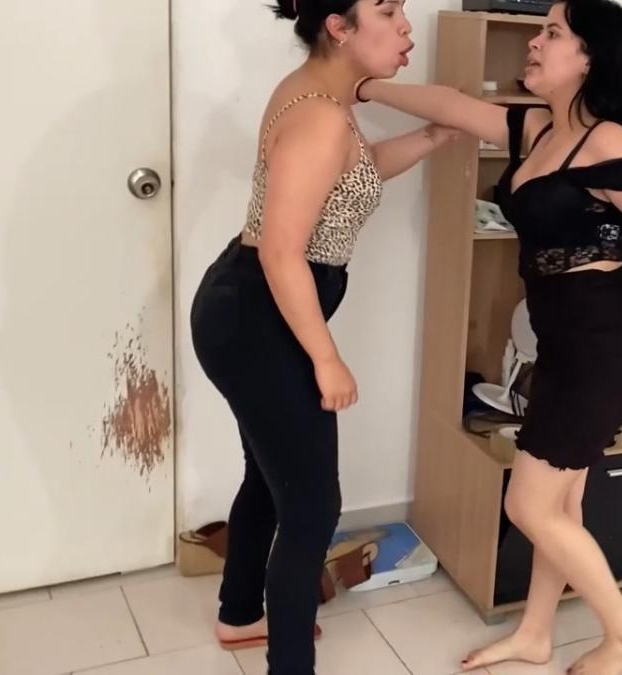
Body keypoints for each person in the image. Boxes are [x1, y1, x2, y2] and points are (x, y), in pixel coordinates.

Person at [356, 1, 622, 672]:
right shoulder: (539, 129)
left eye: (552, 32)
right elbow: (453, 107)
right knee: (562, 502)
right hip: (565, 350)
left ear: (589, 58)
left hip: (603, 353)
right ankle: (536, 633)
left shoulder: (609, 142)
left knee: (528, 504)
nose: (535, 43)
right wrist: (363, 85)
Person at [188, 1, 460, 672]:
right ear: (340, 27)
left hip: (248, 306)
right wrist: (326, 358)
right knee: (312, 505)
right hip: (259, 314)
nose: (406, 27)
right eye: (388, 11)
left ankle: (239, 614)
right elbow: (283, 253)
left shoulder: (320, 96)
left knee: (271, 478)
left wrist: (433, 136)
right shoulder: (319, 116)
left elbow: (354, 174)